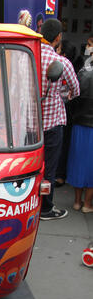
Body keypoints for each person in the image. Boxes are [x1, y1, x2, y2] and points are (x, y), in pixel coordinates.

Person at [39, 19, 80, 221]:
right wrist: (62, 95)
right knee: (49, 168)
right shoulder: (62, 63)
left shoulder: (26, 57)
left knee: (29, 166)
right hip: (52, 123)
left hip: (29, 125)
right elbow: (76, 89)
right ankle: (45, 208)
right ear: (58, 38)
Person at [66, 36, 93, 213]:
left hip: (79, 124)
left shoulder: (82, 73)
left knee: (78, 162)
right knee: (91, 166)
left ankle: (76, 201)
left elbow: (72, 97)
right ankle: (88, 204)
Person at [55, 40, 78, 187]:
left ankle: (59, 175)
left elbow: (75, 89)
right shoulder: (66, 65)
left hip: (63, 111)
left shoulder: (65, 65)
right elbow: (75, 90)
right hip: (62, 111)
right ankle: (58, 175)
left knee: (60, 145)